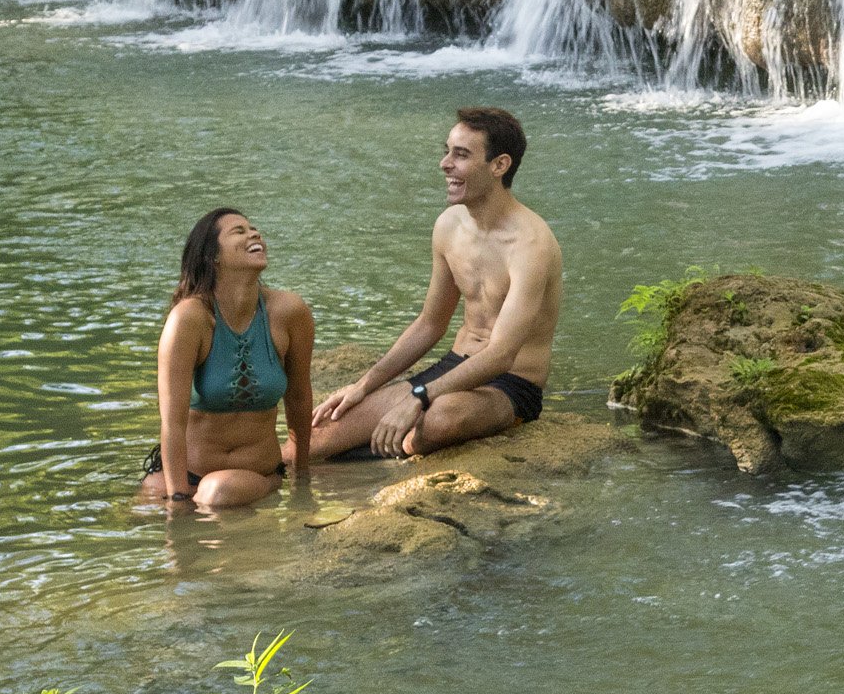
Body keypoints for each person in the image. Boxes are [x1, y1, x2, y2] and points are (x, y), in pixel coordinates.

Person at [306, 107, 563, 459]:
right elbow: (430, 324)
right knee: (308, 444)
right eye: (447, 151)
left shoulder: (531, 244)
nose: (445, 164)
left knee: (442, 418)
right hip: (454, 366)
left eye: (461, 155)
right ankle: (383, 452)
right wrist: (363, 386)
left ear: (499, 165)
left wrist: (419, 397)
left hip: (510, 385)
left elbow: (502, 354)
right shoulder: (449, 226)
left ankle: (391, 457)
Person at [140, 209, 316, 509]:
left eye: (254, 229)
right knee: (142, 515)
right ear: (212, 256)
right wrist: (178, 500)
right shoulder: (188, 318)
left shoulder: (290, 312)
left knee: (216, 492)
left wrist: (302, 476)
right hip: (189, 473)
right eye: (239, 231)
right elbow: (172, 421)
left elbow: (299, 397)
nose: (254, 234)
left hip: (252, 474)